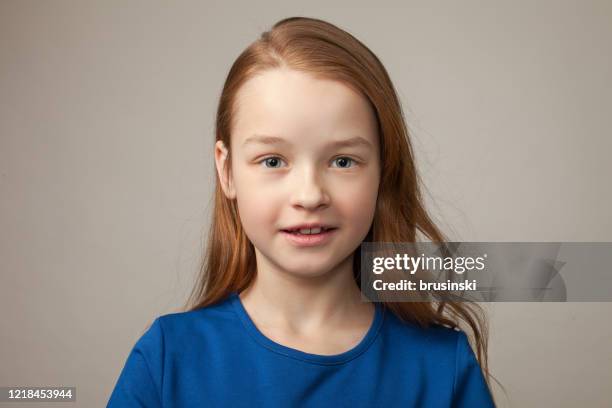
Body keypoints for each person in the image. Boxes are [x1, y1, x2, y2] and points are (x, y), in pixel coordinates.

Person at [107, 16, 497, 407]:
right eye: (273, 161)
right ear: (226, 171)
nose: (310, 196)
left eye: (343, 161)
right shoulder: (166, 359)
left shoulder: (443, 366)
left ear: (384, 170)